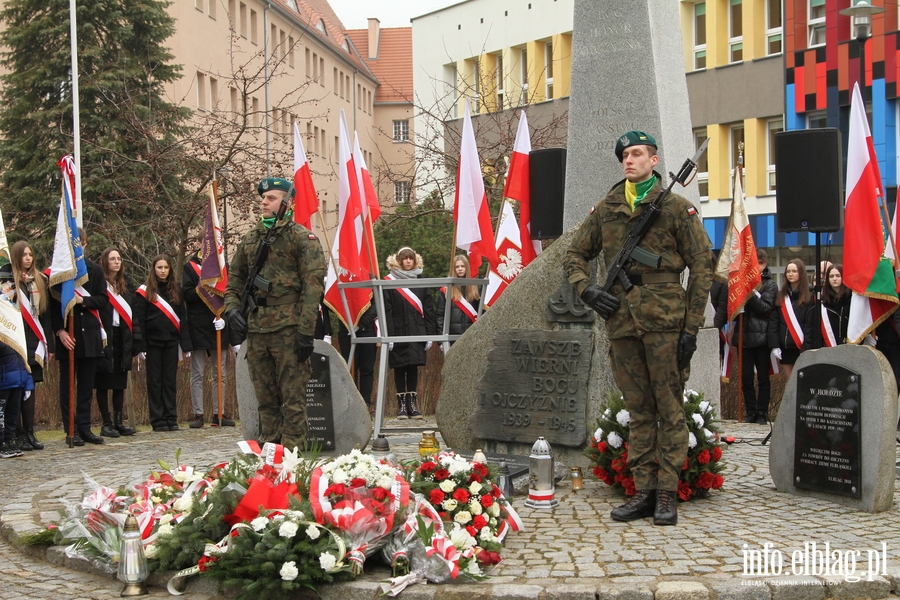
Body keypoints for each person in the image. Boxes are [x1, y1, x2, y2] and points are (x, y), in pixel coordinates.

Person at [564, 130, 713, 527]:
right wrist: (588, 290)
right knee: (639, 411)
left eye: (637, 154)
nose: (629, 161)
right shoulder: (607, 208)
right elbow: (575, 255)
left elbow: (702, 267)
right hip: (622, 323)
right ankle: (644, 491)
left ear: (653, 160)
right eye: (625, 155)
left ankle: (667, 493)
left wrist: (691, 328)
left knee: (669, 408)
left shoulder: (677, 209)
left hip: (666, 323)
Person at [223, 177, 326, 451]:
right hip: (257, 330)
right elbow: (234, 281)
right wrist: (232, 308)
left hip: (290, 330)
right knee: (265, 400)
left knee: (293, 401)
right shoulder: (251, 239)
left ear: (286, 202)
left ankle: (293, 460)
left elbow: (313, 288)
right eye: (263, 198)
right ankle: (270, 454)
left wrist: (306, 332)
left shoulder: (302, 238)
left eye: (271, 198)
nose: (264, 202)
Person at [50, 230, 109, 445]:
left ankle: (84, 428)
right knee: (67, 388)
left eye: (82, 244)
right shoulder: (59, 273)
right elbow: (52, 309)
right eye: (75, 244)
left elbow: (103, 300)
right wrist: (60, 331)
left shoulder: (96, 270)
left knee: (86, 387)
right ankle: (71, 429)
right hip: (68, 337)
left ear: (85, 245)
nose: (79, 248)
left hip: (90, 336)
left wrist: (83, 302)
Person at [1, 241, 54, 451]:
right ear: (16, 257)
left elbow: (45, 314)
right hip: (16, 337)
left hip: (35, 337)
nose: (28, 258)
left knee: (31, 387)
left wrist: (49, 343)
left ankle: (30, 433)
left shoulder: (39, 280)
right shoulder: (7, 280)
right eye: (24, 255)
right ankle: (17, 433)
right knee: (17, 387)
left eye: (31, 254)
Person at [718, 248, 777, 425]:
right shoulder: (741, 282)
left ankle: (762, 412)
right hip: (743, 336)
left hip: (761, 336)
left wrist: (749, 293)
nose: (756, 267)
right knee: (746, 378)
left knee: (763, 378)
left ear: (764, 265)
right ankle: (750, 411)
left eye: (759, 264)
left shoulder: (770, 285)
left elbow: (765, 307)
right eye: (753, 264)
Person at [182, 251, 241, 428]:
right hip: (198, 324)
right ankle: (198, 414)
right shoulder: (189, 267)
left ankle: (219, 413)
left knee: (220, 373)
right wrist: (203, 286)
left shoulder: (224, 267)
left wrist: (224, 317)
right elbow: (187, 296)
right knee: (197, 373)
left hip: (219, 323)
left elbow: (229, 293)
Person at [134, 254, 192, 432]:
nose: (163, 271)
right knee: (154, 381)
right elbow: (139, 320)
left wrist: (186, 345)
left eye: (166, 267)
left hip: (171, 342)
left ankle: (170, 417)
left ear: (170, 270)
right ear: (154, 269)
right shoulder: (145, 292)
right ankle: (157, 419)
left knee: (169, 381)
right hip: (152, 342)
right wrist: (141, 346)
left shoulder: (176, 290)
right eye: (159, 267)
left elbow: (182, 318)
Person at [383, 247, 437, 418]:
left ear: (415, 260)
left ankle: (412, 406)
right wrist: (389, 335)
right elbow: (387, 311)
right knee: (399, 367)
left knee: (413, 367)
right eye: (404, 258)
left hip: (417, 329)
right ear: (398, 260)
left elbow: (429, 309)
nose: (407, 261)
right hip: (397, 330)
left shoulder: (421, 281)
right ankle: (401, 407)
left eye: (410, 258)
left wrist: (430, 334)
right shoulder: (389, 281)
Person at [94, 247, 139, 437]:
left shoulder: (126, 283)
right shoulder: (98, 283)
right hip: (105, 334)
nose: (117, 262)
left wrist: (137, 339)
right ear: (105, 261)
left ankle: (119, 422)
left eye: (119, 259)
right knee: (104, 380)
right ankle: (106, 423)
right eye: (113, 259)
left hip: (122, 335)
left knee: (120, 380)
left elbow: (134, 312)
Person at [768, 258, 814, 383]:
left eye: (794, 271)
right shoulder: (780, 295)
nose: (791, 274)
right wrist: (775, 345)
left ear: (801, 273)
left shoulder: (810, 296)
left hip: (802, 347)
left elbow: (810, 325)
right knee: (791, 384)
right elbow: (774, 322)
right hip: (786, 348)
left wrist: (806, 348)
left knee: (803, 384)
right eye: (788, 271)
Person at [337, 303, 377, 410]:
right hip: (346, 329)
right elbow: (333, 301)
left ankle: (365, 406)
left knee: (367, 370)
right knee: (349, 370)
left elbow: (377, 303)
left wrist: (360, 324)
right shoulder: (340, 285)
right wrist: (348, 322)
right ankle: (352, 406)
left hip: (367, 329)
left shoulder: (369, 285)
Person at [436, 254, 480, 347]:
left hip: (472, 337)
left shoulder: (475, 288)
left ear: (467, 268)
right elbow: (440, 316)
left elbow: (481, 313)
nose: (460, 269)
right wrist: (441, 340)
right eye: (457, 267)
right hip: (452, 338)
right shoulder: (446, 290)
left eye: (462, 266)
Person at [821, 264, 850, 346]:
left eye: (838, 276)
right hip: (828, 345)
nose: (834, 279)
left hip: (849, 345)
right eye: (831, 276)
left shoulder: (851, 299)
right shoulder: (822, 301)